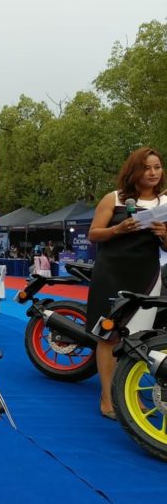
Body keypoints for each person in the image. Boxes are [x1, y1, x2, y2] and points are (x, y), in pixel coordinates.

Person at [87, 146, 167, 420]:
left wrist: (163, 233)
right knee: (108, 336)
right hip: (111, 272)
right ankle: (107, 398)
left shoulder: (165, 202)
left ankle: (128, 396)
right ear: (134, 171)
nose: (153, 173)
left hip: (147, 275)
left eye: (157, 167)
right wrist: (117, 229)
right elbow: (94, 234)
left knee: (136, 339)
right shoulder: (114, 198)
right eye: (146, 167)